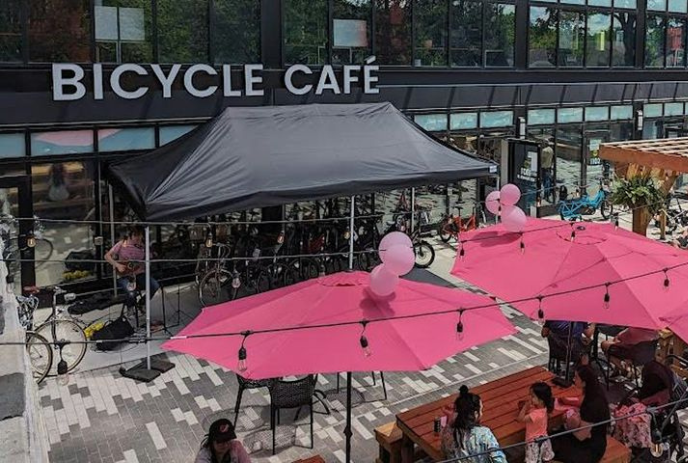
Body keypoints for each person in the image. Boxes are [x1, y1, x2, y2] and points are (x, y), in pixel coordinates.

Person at [551, 365, 610, 463]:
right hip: (594, 439)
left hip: (590, 448)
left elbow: (581, 436)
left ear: (584, 383)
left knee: (551, 444)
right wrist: (566, 401)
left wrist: (568, 424)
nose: (574, 379)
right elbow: (581, 402)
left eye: (577, 377)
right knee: (553, 436)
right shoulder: (595, 392)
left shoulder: (591, 406)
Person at [440, 385, 507, 462]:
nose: (481, 413)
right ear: (475, 413)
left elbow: (443, 455)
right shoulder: (484, 434)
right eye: (481, 410)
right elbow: (500, 460)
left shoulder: (447, 432)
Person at [105, 225, 159, 308]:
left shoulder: (143, 246)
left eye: (140, 235)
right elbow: (107, 256)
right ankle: (130, 307)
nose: (138, 238)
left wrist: (148, 260)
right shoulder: (122, 244)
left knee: (154, 286)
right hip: (125, 275)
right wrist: (117, 265)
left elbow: (149, 260)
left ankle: (142, 303)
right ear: (130, 235)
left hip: (139, 274)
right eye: (135, 235)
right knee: (131, 293)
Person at [517, 382, 555, 463]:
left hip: (533, 443)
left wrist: (525, 407)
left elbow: (520, 419)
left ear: (541, 400)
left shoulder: (536, 414)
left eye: (532, 396)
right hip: (544, 439)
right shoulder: (544, 408)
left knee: (532, 461)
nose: (530, 398)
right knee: (547, 459)